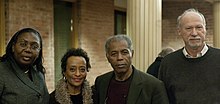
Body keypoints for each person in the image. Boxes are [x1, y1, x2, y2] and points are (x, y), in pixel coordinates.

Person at [159, 8, 220, 104]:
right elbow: (162, 99)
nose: (194, 33)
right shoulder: (168, 63)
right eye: (188, 28)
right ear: (179, 31)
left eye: (199, 27)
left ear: (205, 30)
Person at [93, 35, 169, 104]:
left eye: (124, 52)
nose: (119, 58)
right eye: (114, 54)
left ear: (132, 54)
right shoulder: (101, 82)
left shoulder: (153, 86)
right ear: (108, 57)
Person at [0, 28, 49, 104]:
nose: (28, 50)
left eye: (34, 47)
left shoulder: (38, 73)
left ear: (39, 51)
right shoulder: (2, 71)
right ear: (13, 47)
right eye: (23, 44)